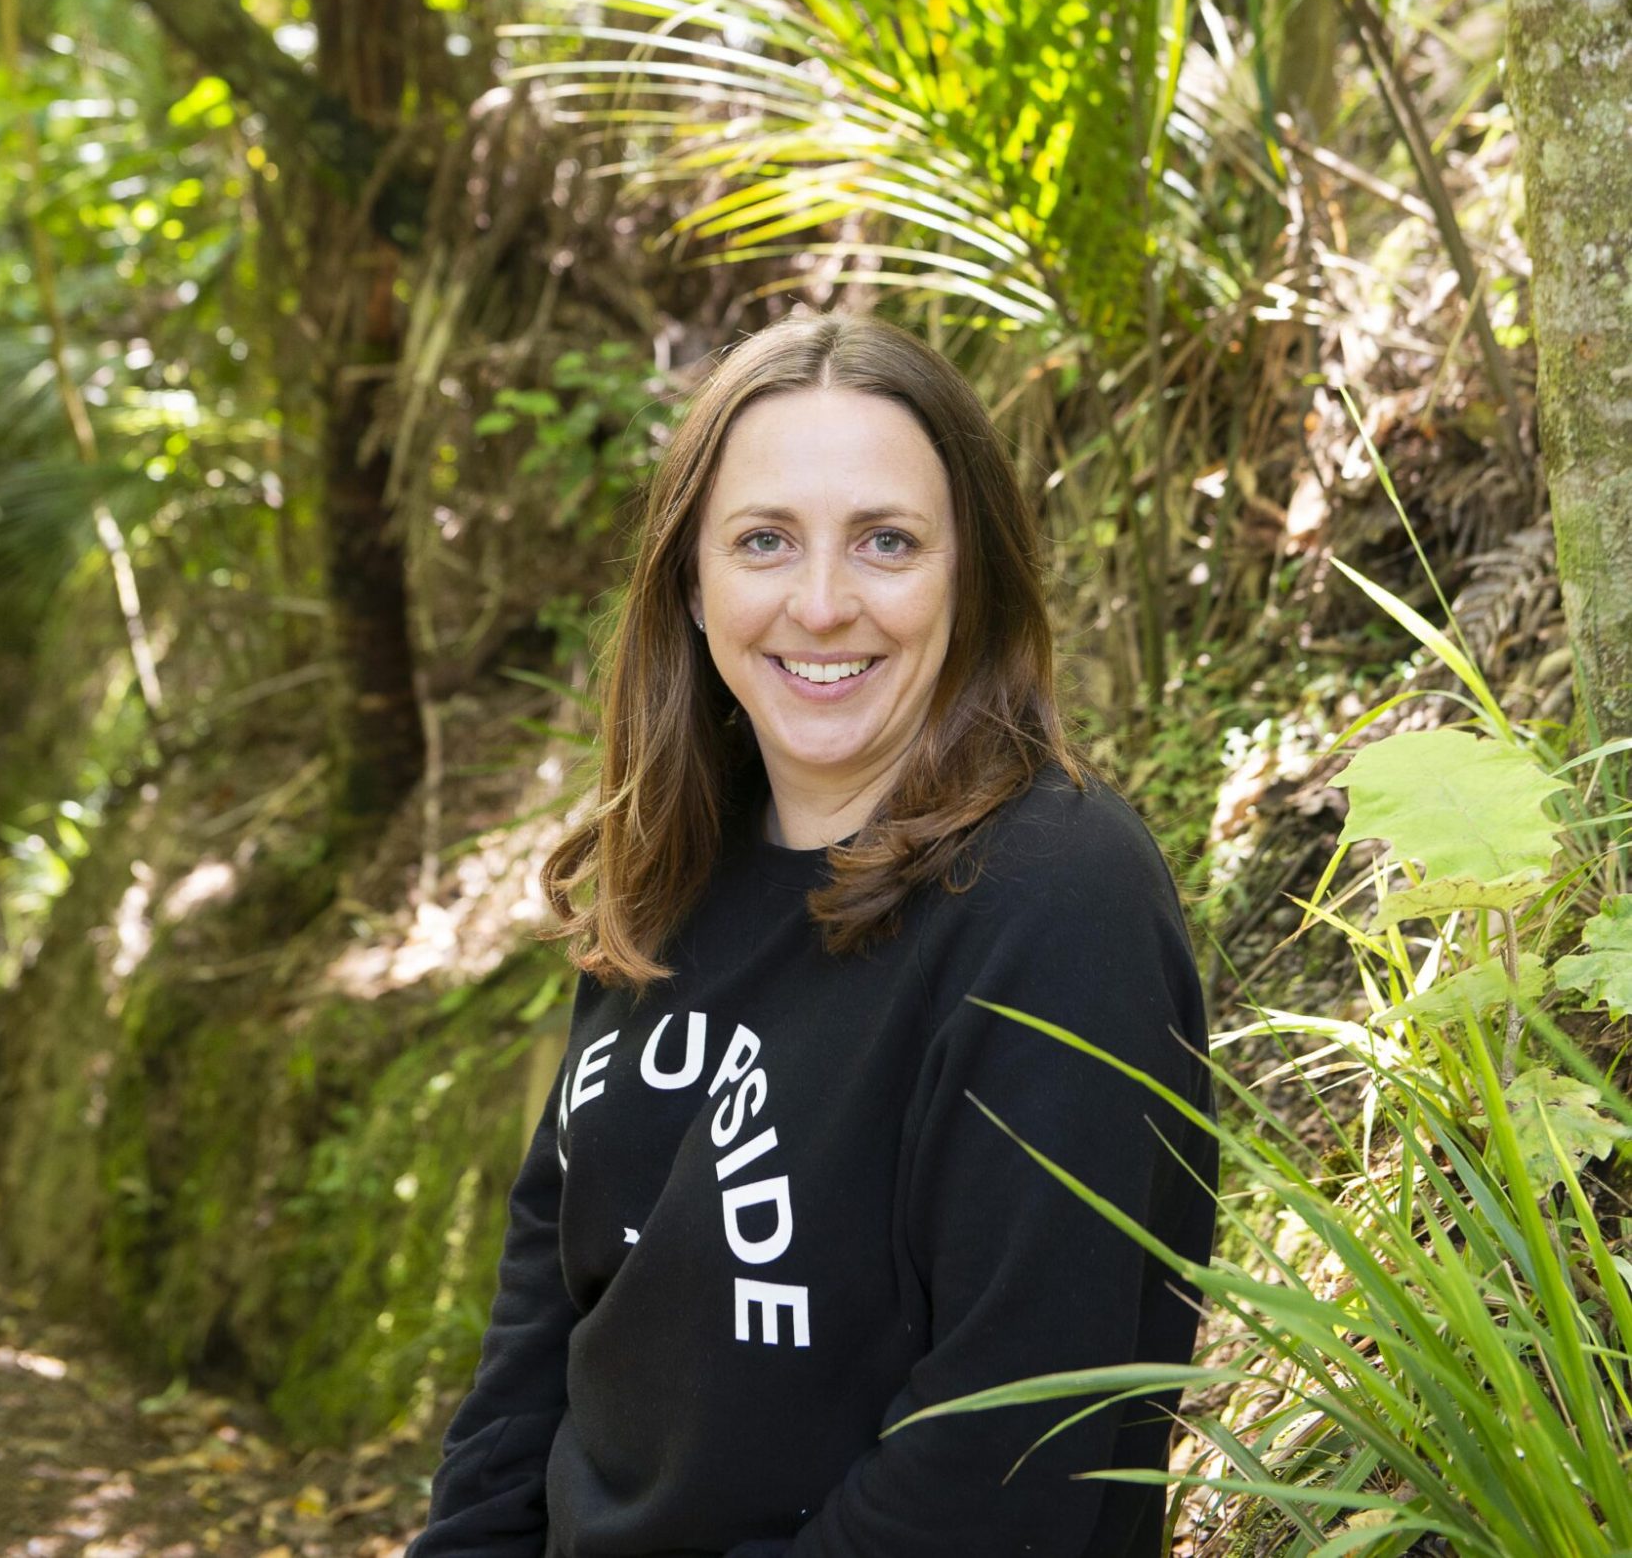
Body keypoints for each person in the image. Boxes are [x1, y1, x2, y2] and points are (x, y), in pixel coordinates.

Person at [406, 311, 1217, 1558]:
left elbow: (1002, 1453)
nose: (823, 604)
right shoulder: (670, 867)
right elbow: (542, 1333)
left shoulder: (1059, 901)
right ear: (693, 577)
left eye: (887, 542)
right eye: (766, 541)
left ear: (974, 572)